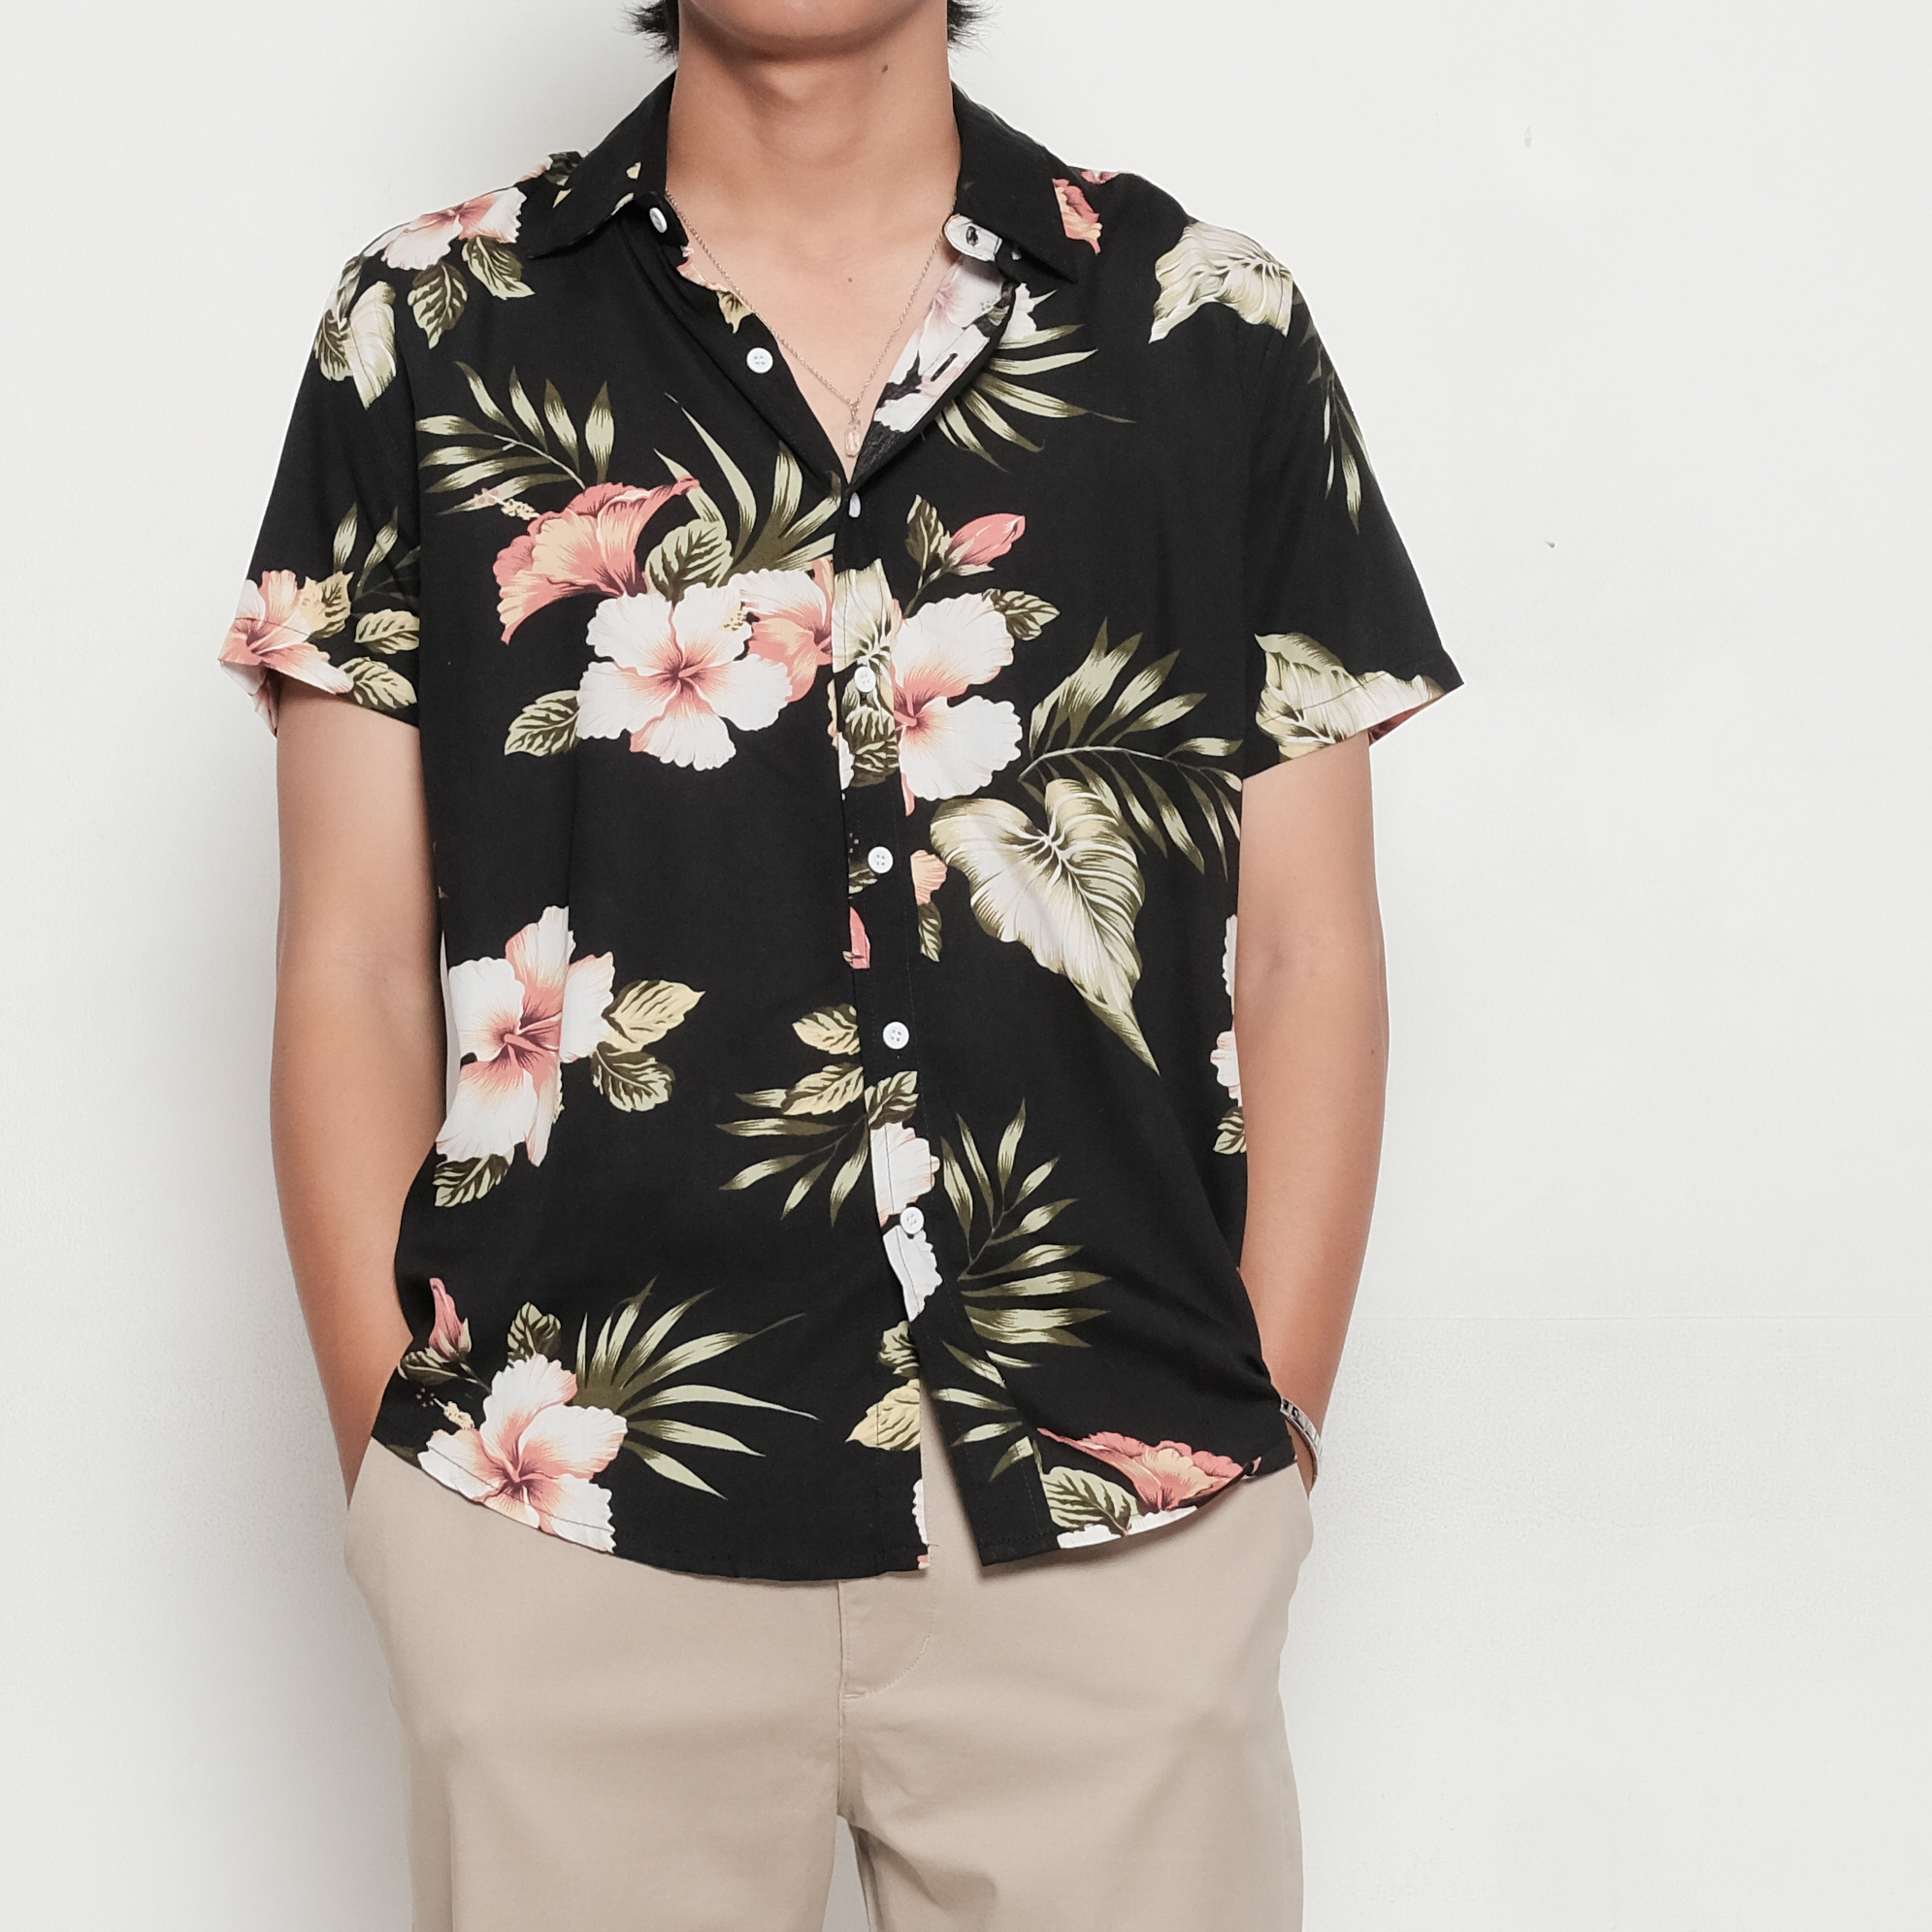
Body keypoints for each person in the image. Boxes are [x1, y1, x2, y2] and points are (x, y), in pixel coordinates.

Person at [220, 2, 1459, 1925]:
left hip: (1117, 1520)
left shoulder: (1207, 326)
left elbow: (1306, 945)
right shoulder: (431, 327)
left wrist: (1271, 1433)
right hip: (558, 1523)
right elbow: (351, 963)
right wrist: (405, 1492)